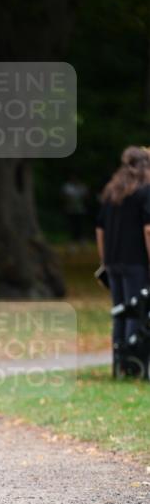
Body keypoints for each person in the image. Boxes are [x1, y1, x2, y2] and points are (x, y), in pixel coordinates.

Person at [95, 146, 150, 355]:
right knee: (135, 311)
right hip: (136, 261)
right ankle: (133, 361)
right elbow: (148, 230)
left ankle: (119, 360)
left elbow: (99, 229)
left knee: (119, 312)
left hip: (113, 262)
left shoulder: (112, 192)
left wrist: (104, 260)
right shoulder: (145, 191)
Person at [60, 174, 89, 245]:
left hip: (80, 209)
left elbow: (86, 196)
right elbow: (64, 196)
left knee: (80, 225)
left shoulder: (81, 186)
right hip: (70, 209)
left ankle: (81, 239)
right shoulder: (67, 186)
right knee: (71, 225)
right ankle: (72, 240)